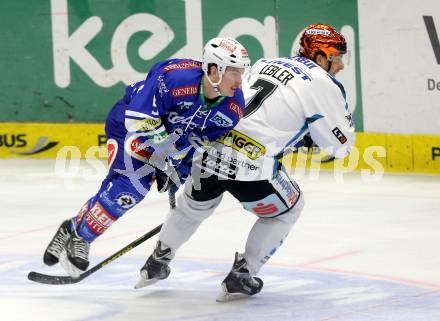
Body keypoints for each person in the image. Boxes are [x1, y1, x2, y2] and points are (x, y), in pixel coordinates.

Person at [135, 23, 356, 301]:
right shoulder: (325, 84)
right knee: (289, 208)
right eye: (336, 59)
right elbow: (340, 146)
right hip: (253, 165)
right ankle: (244, 272)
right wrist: (311, 138)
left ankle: (157, 261)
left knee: (193, 206)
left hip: (212, 146)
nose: (340, 67)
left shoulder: (267, 63)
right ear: (321, 57)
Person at [42, 37, 251, 277]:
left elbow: (198, 143)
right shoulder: (175, 77)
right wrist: (165, 155)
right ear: (214, 70)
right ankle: (81, 236)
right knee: (130, 187)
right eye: (234, 73)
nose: (239, 81)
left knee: (124, 190)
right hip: (128, 126)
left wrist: (179, 170)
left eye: (241, 72)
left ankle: (71, 227)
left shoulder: (233, 108)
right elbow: (138, 119)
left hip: (163, 142)